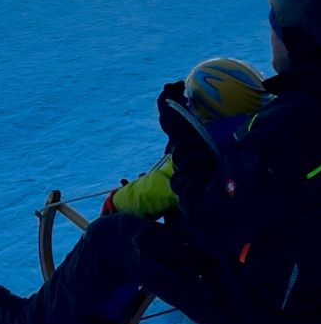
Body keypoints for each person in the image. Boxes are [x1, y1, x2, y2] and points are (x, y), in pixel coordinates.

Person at [0, 0, 321, 324]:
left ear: (302, 39)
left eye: (276, 29)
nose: (271, 38)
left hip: (276, 316)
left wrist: (184, 135)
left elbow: (211, 226)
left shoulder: (292, 128)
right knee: (178, 216)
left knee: (111, 237)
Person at [100, 58, 272, 219]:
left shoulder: (203, 149)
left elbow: (155, 188)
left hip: (211, 243)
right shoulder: (270, 129)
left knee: (102, 233)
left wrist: (115, 201)